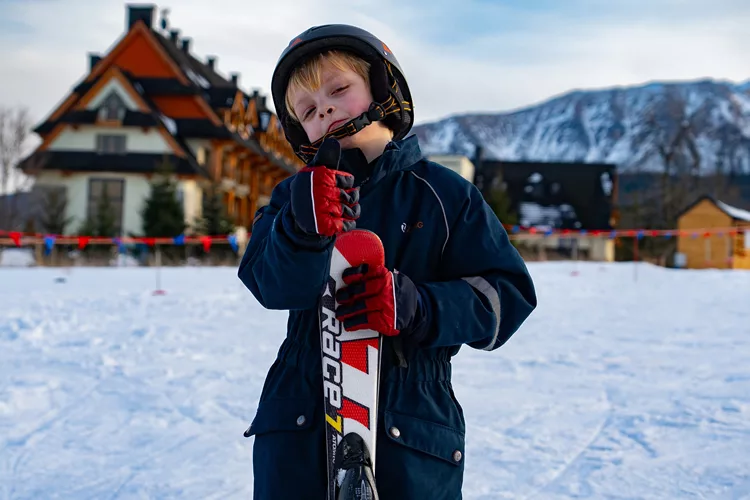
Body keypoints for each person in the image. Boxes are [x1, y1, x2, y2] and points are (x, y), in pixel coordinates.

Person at [238, 24, 537, 500]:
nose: (325, 110)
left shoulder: (443, 194)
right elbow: (269, 284)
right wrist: (300, 230)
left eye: (339, 90)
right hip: (300, 417)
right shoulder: (290, 198)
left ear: (383, 90)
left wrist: (418, 306)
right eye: (308, 110)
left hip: (412, 422)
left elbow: (507, 297)